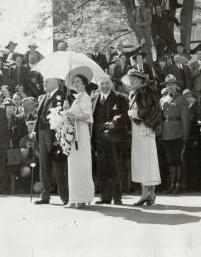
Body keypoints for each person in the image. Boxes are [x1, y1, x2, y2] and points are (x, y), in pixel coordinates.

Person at [121, 69, 161, 205]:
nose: (131, 81)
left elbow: (153, 110)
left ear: (141, 80)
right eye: (130, 78)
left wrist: (136, 113)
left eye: (134, 79)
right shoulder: (134, 93)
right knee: (144, 161)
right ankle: (149, 194)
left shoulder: (147, 92)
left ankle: (148, 194)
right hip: (138, 129)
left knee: (147, 161)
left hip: (146, 128)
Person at [91, 76, 129, 205]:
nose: (104, 86)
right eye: (101, 83)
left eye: (107, 83)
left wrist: (115, 122)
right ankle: (105, 197)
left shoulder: (120, 97)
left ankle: (117, 198)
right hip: (99, 138)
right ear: (98, 85)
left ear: (111, 84)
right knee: (102, 168)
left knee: (115, 168)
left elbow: (125, 115)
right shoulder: (94, 98)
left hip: (115, 138)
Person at [33, 78, 69, 205]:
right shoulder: (44, 97)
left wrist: (59, 137)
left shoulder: (62, 96)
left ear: (55, 83)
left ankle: (65, 197)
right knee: (44, 166)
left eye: (47, 81)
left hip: (54, 135)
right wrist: (34, 131)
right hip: (42, 134)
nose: (44, 83)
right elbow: (38, 116)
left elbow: (64, 116)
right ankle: (45, 195)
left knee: (58, 166)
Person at [63, 74, 95, 208]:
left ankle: (82, 198)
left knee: (82, 165)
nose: (75, 84)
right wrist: (66, 110)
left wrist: (71, 114)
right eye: (74, 82)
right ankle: (73, 198)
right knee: (73, 165)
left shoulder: (86, 97)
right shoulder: (76, 99)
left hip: (81, 133)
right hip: (73, 133)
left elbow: (88, 116)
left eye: (78, 81)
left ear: (84, 84)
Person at [160, 74, 190, 194]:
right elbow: (159, 117)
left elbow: (186, 119)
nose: (170, 86)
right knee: (169, 160)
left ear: (176, 86)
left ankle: (178, 184)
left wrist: (185, 134)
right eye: (168, 85)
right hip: (165, 132)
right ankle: (171, 184)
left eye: (172, 84)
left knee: (177, 159)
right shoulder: (162, 99)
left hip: (177, 132)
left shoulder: (181, 99)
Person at [2, 98, 28, 194]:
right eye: (9, 107)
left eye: (12, 108)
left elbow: (24, 133)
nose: (11, 109)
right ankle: (5, 188)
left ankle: (15, 188)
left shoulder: (19, 119)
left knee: (14, 168)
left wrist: (16, 142)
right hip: (3, 147)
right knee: (3, 168)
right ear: (4, 108)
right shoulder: (0, 119)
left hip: (14, 147)